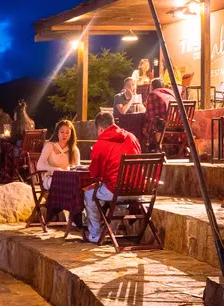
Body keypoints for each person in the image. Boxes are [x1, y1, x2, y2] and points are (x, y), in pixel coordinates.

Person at [83, 111, 141, 244]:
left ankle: (95, 234)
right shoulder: (132, 137)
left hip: (117, 190)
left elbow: (95, 174)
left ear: (100, 128)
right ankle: (111, 231)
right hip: (138, 190)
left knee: (89, 194)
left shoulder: (101, 144)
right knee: (116, 195)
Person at [35, 120, 80, 189]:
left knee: (75, 185)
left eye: (67, 132)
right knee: (62, 184)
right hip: (51, 177)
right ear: (57, 132)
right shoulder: (50, 146)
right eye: (62, 132)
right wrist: (56, 170)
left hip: (68, 177)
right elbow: (39, 166)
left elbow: (77, 167)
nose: (64, 135)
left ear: (71, 134)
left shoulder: (74, 149)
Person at [143, 78, 177, 151]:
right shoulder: (171, 94)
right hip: (176, 124)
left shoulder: (153, 94)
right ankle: (164, 147)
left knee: (143, 124)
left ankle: (153, 147)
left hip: (162, 125)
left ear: (152, 87)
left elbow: (150, 115)